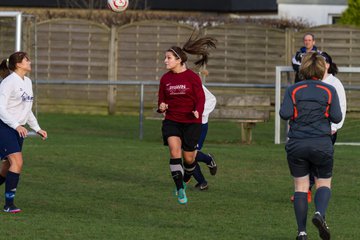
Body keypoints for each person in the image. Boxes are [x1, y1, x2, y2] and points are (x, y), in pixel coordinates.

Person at [280, 52, 342, 240]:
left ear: (303, 68)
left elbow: (285, 113)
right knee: (323, 183)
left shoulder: (293, 89)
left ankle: (302, 232)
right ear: (323, 69)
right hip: (321, 143)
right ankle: (319, 214)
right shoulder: (329, 90)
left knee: (301, 186)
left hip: (297, 143)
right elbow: (337, 117)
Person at [157, 34, 216, 204]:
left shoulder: (192, 77)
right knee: (174, 152)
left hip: (191, 122)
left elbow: (201, 98)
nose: (165, 61)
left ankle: (187, 177)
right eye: (165, 58)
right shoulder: (165, 79)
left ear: (179, 60)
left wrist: (198, 111)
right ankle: (180, 189)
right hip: (172, 121)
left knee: (189, 159)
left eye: (168, 58)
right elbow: (162, 99)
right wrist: (162, 106)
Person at [0, 52, 48, 213]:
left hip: (17, 129)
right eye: (26, 60)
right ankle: (9, 205)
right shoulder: (8, 82)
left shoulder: (27, 81)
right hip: (4, 127)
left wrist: (37, 128)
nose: (30, 62)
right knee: (17, 162)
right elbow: (0, 108)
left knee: (8, 166)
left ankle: (8, 203)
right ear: (18, 64)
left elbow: (27, 109)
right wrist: (15, 125)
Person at [183, 84, 217, 190]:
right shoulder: (176, 84)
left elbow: (212, 99)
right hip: (185, 124)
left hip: (199, 125)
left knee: (191, 155)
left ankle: (208, 162)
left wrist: (199, 112)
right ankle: (202, 180)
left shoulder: (194, 82)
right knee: (187, 156)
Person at [321, 51, 347, 144]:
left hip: (328, 129)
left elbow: (341, 105)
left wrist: (334, 127)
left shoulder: (335, 83)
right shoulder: (312, 81)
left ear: (327, 65)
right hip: (312, 129)